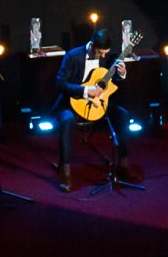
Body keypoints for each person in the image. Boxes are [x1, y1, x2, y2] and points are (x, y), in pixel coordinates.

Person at [54, 28, 137, 193]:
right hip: (72, 103)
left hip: (99, 105)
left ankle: (123, 165)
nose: (104, 56)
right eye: (101, 52)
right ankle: (65, 172)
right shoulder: (73, 56)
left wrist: (122, 74)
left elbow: (113, 82)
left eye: (106, 52)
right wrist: (86, 91)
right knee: (66, 120)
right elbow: (60, 84)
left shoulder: (107, 56)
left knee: (123, 115)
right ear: (92, 46)